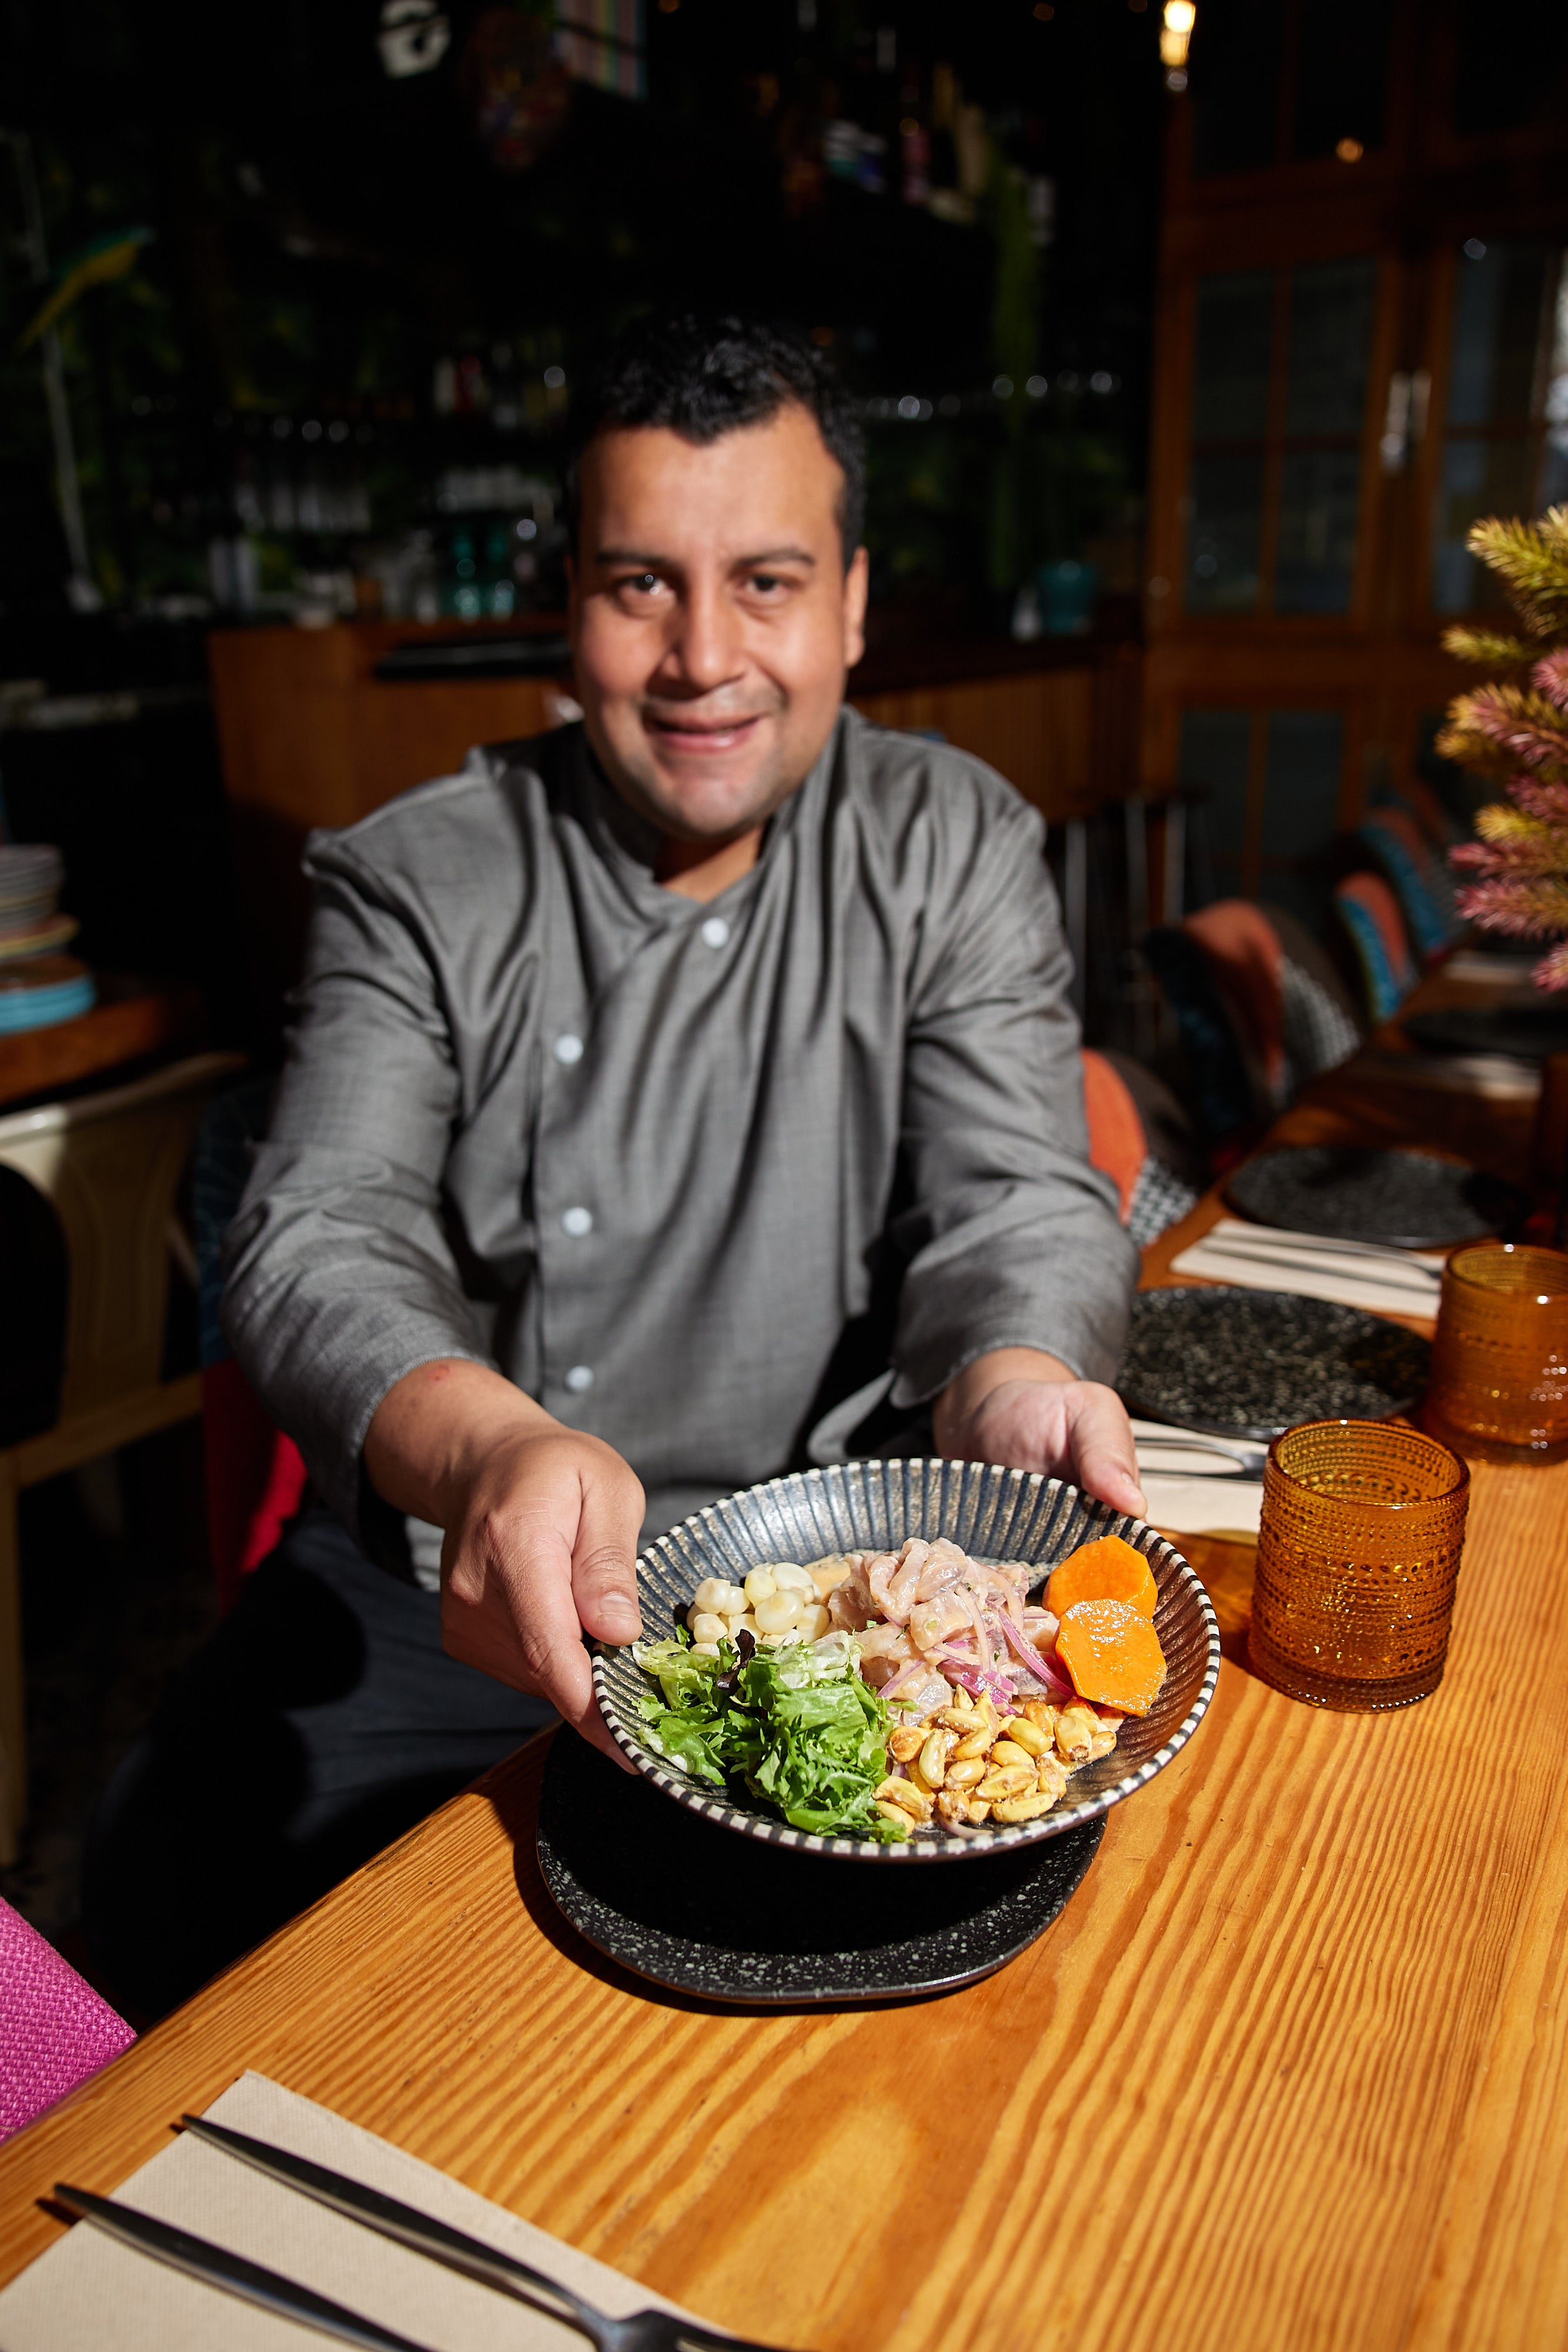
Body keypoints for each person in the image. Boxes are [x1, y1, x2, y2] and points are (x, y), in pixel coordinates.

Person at [83, 316, 1142, 2016]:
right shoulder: (420, 874)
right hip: (464, 1580)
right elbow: (311, 1237)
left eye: (769, 581)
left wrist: (1013, 1377)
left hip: (826, 1593)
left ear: (855, 602)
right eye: (640, 583)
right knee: (148, 1944)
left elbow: (1015, 1191)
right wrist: (493, 1445)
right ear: (563, 602)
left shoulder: (947, 842)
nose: (702, 657)